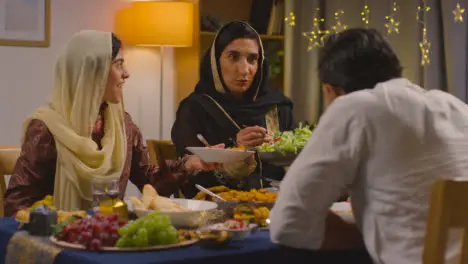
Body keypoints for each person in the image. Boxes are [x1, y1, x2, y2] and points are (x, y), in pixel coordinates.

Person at [270, 28, 466, 264]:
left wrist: (370, 234)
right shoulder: (456, 107)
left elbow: (288, 223)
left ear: (330, 90)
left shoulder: (354, 107)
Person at [4, 30, 218, 216]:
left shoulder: (123, 125)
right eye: (118, 64)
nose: (126, 74)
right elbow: (17, 205)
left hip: (109, 237)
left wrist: (188, 165)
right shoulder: (46, 128)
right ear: (91, 72)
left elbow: (150, 183)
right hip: (59, 242)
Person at [171, 21, 294, 198]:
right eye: (233, 57)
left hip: (276, 205)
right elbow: (188, 176)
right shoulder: (195, 108)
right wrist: (234, 150)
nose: (244, 70)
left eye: (252, 59)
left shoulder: (277, 106)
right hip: (214, 208)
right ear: (216, 62)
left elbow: (292, 166)